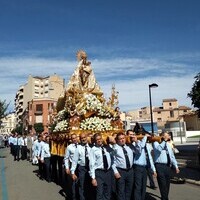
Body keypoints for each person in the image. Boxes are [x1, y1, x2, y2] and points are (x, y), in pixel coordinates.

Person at [153, 132, 180, 200]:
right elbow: (159, 149)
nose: (169, 136)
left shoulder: (168, 145)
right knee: (162, 184)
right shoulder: (156, 143)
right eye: (167, 135)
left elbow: (172, 156)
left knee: (167, 184)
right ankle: (165, 198)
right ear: (162, 136)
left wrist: (176, 166)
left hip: (168, 166)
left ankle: (164, 197)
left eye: (168, 135)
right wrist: (164, 141)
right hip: (159, 166)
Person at [112, 132, 138, 200]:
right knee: (121, 191)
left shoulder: (129, 146)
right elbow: (112, 160)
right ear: (117, 140)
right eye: (120, 139)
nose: (122, 140)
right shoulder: (115, 148)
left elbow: (138, 151)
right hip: (121, 171)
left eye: (123, 138)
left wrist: (136, 141)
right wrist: (115, 171)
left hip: (130, 171)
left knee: (129, 190)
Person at [131, 133, 157, 200]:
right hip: (138, 167)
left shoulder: (146, 145)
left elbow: (149, 157)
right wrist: (138, 140)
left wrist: (153, 169)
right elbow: (139, 150)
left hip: (145, 167)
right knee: (138, 186)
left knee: (143, 186)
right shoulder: (134, 144)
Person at [89, 133, 113, 200]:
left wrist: (114, 143)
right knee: (100, 193)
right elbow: (91, 164)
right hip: (99, 173)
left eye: (100, 139)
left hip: (108, 172)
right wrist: (93, 178)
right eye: (97, 140)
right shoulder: (93, 150)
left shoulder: (107, 147)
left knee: (108, 192)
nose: (99, 140)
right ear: (95, 141)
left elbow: (115, 154)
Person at [71, 133, 92, 200]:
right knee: (82, 185)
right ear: (80, 139)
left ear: (87, 137)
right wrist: (73, 172)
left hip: (90, 168)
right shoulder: (78, 148)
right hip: (82, 168)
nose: (83, 139)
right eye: (82, 138)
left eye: (84, 137)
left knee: (90, 185)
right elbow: (74, 160)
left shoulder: (91, 147)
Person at [64, 133, 79, 200]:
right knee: (73, 183)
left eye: (75, 137)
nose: (74, 139)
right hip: (73, 166)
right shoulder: (69, 147)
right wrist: (67, 168)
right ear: (71, 139)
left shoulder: (80, 146)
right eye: (73, 138)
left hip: (80, 166)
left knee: (80, 182)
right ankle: (74, 197)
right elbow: (66, 158)